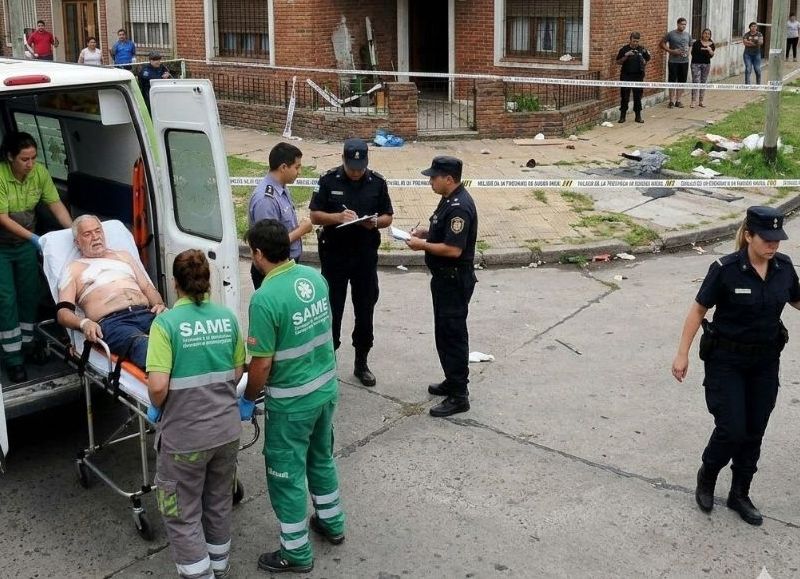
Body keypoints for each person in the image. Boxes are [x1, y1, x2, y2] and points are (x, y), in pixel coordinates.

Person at [672, 206, 800, 526]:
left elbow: (796, 298)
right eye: (767, 238)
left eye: (777, 239)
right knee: (732, 429)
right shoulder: (725, 269)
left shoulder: (784, 268)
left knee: (754, 431)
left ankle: (740, 493)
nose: (774, 245)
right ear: (748, 236)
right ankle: (708, 475)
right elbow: (698, 310)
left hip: (765, 363)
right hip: (726, 361)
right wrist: (682, 354)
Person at [241, 219, 345, 574]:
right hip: (325, 390)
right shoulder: (314, 278)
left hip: (291, 404)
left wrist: (247, 398)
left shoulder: (265, 298)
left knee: (285, 476)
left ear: (258, 254)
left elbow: (261, 365)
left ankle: (296, 553)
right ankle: (332, 523)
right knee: (321, 459)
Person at [145, 249, 245, 579]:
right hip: (227, 432)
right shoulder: (227, 318)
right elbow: (237, 371)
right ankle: (219, 566)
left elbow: (158, 386)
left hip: (185, 440)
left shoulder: (166, 324)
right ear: (207, 282)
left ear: (175, 284)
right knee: (217, 503)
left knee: (182, 513)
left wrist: (157, 403)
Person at [309, 138, 393, 387]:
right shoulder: (328, 180)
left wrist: (376, 222)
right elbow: (314, 215)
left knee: (365, 309)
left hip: (364, 256)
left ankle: (361, 361)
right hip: (335, 255)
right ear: (343, 160)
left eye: (361, 168)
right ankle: (328, 360)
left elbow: (388, 215)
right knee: (332, 310)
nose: (357, 173)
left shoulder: (377, 182)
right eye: (352, 168)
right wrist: (337, 217)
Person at [405, 156, 478, 418]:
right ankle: (452, 379)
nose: (430, 181)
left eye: (434, 177)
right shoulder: (449, 199)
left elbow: (453, 249)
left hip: (453, 279)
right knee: (444, 334)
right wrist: (427, 233)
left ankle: (460, 395)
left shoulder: (459, 206)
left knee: (453, 336)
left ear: (449, 179)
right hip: (444, 279)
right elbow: (445, 234)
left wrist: (421, 245)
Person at [0, 131, 72, 383]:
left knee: (30, 293)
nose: (30, 164)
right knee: (7, 300)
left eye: (33, 158)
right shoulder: (0, 176)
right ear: (10, 157)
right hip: (2, 247)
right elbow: (2, 218)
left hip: (26, 246)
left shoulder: (39, 173)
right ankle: (13, 359)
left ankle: (29, 345)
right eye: (24, 159)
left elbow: (55, 204)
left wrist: (73, 231)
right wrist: (34, 238)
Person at [56, 214, 167, 369]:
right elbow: (62, 313)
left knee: (183, 334)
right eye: (87, 234)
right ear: (77, 243)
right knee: (144, 345)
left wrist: (159, 303)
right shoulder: (73, 269)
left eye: (98, 231)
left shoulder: (123, 256)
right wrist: (84, 323)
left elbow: (148, 288)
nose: (95, 237)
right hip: (114, 323)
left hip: (146, 313)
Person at [248, 142, 313, 289]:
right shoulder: (266, 199)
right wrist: (302, 230)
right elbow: (270, 244)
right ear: (283, 167)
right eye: (297, 167)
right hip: (273, 271)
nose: (300, 172)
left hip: (284, 266)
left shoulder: (281, 188)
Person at [615, 32, 650, 123]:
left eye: (637, 41)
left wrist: (643, 59)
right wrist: (626, 55)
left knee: (637, 96)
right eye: (634, 41)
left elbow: (647, 59)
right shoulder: (624, 49)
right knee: (625, 96)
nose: (635, 43)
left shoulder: (642, 49)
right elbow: (618, 62)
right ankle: (622, 116)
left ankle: (638, 116)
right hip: (626, 75)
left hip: (638, 76)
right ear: (630, 40)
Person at [661, 17, 691, 108]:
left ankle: (678, 101)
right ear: (678, 24)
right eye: (682, 24)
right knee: (672, 81)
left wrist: (688, 53)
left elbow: (690, 45)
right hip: (673, 61)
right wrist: (671, 51)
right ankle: (671, 101)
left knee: (681, 81)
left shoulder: (687, 35)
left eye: (685, 24)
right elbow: (662, 44)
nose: (683, 26)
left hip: (684, 62)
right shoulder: (671, 34)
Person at [690, 29, 715, 108]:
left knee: (703, 82)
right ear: (702, 34)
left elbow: (711, 55)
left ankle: (701, 101)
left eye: (708, 34)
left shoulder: (712, 44)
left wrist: (710, 50)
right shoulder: (696, 43)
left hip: (706, 64)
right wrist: (705, 50)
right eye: (705, 33)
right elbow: (694, 53)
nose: (707, 35)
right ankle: (693, 101)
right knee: (696, 82)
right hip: (696, 64)